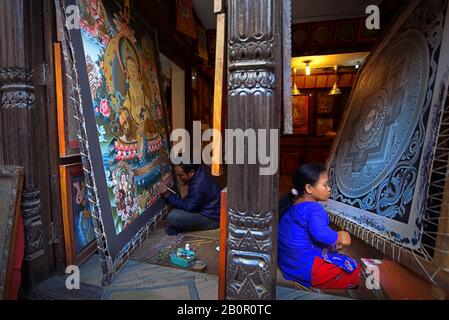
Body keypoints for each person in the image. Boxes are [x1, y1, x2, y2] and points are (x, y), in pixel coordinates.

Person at [278, 163, 360, 290]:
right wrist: (339, 236)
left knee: (334, 250)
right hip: (305, 268)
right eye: (325, 185)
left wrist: (332, 241)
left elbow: (310, 232)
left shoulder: (295, 205)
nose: (329, 189)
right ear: (309, 188)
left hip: (289, 264)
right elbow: (320, 233)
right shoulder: (314, 209)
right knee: (355, 271)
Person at [161, 163, 222, 235]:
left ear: (191, 172)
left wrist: (168, 195)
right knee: (178, 207)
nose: (179, 178)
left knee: (173, 216)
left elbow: (188, 206)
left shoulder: (198, 185)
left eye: (181, 175)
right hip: (213, 211)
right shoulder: (201, 169)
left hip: (213, 218)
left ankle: (179, 228)